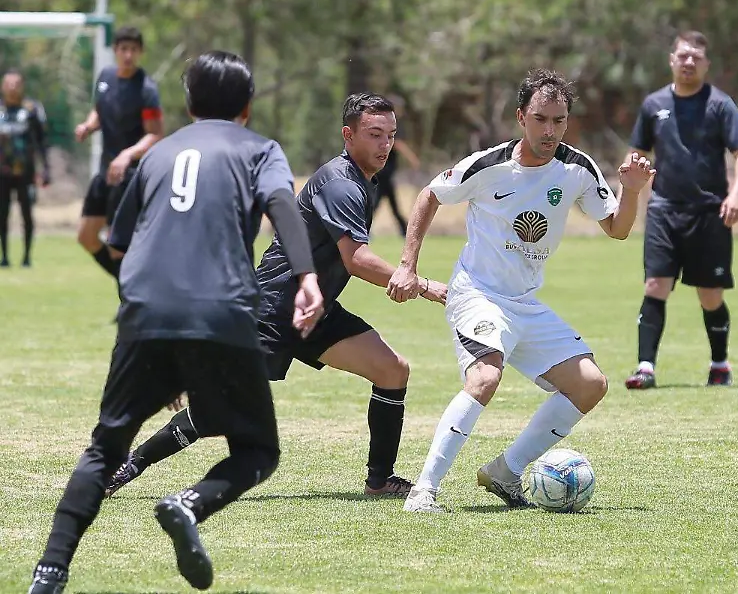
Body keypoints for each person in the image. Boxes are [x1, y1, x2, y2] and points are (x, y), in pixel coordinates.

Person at [28, 51, 324, 594]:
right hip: (222, 312)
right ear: (248, 106)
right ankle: (188, 503)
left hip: (146, 314)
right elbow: (283, 206)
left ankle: (49, 573)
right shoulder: (260, 150)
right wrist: (306, 276)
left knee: (104, 449)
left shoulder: (158, 154)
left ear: (188, 104)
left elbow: (118, 243)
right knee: (257, 450)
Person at [104, 92, 449, 501]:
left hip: (314, 311)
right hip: (272, 308)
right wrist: (422, 285)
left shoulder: (362, 180)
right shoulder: (341, 183)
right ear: (348, 134)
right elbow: (355, 260)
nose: (385, 145)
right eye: (374, 134)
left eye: (390, 135)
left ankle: (379, 481)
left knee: (392, 371)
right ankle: (126, 466)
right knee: (213, 412)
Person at [386, 68, 654, 513]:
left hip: (525, 304)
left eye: (559, 120)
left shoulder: (577, 168)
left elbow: (618, 229)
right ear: (520, 118)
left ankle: (506, 472)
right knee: (485, 377)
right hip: (477, 294)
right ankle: (424, 490)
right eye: (541, 119)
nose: (550, 130)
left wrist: (631, 191)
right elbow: (429, 196)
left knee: (590, 385)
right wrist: (407, 265)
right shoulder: (488, 165)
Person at [624, 30, 738, 390]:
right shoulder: (653, 105)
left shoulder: (720, 105)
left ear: (706, 63)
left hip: (710, 213)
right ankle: (645, 367)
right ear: (671, 59)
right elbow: (638, 152)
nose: (689, 62)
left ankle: (719, 365)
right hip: (664, 211)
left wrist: (737, 195)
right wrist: (631, 179)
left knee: (710, 295)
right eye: (683, 55)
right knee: (655, 285)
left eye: (696, 56)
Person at [72, 26, 163, 282]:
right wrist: (89, 125)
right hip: (105, 171)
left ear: (140, 52)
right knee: (86, 237)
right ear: (115, 50)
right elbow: (99, 110)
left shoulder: (146, 89)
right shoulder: (105, 77)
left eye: (133, 50)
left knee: (116, 243)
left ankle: (130, 302)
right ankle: (131, 292)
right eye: (124, 49)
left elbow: (155, 134)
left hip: (129, 175)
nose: (128, 55)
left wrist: (127, 155)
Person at [0, 68, 49, 267]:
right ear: (3, 86)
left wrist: (45, 169)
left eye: (16, 84)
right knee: (2, 214)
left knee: (27, 213)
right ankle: (4, 257)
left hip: (26, 173)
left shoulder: (32, 109)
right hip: (2, 173)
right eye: (8, 84)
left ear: (22, 87)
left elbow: (42, 141)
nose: (12, 88)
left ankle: (27, 257)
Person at [372, 96, 421, 236]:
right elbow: (399, 144)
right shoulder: (391, 123)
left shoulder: (388, 122)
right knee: (381, 201)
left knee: (386, 200)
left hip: (386, 170)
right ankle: (403, 229)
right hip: (384, 169)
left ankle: (403, 229)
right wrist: (413, 159)